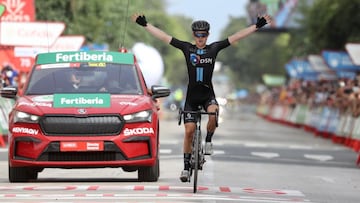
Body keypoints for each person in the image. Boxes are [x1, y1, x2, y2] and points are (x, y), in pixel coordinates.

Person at [132, 13, 271, 182]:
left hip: (207, 95)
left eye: (203, 35)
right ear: (193, 35)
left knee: (213, 113)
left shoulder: (213, 49)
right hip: (191, 97)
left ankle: (209, 140)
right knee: (189, 131)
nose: (200, 38)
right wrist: (145, 24)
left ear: (208, 35)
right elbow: (164, 37)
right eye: (198, 35)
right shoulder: (186, 48)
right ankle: (185, 168)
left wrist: (257, 26)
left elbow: (237, 36)